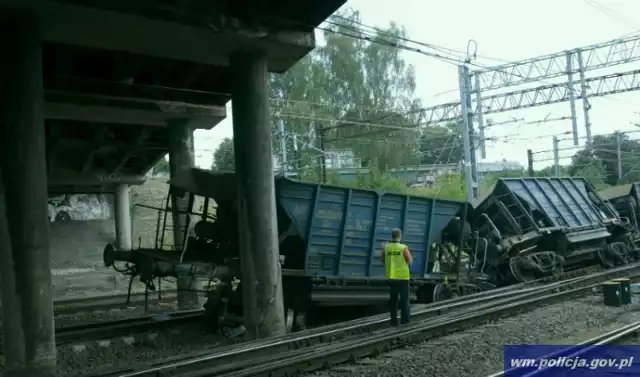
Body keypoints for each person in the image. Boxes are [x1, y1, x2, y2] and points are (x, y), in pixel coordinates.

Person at [380, 228, 413, 326]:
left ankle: (393, 321)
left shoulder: (386, 247)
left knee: (393, 300)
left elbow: (382, 260)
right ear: (400, 236)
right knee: (404, 300)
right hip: (403, 278)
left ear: (392, 236)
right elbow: (410, 261)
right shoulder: (403, 247)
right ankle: (405, 321)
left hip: (391, 277)